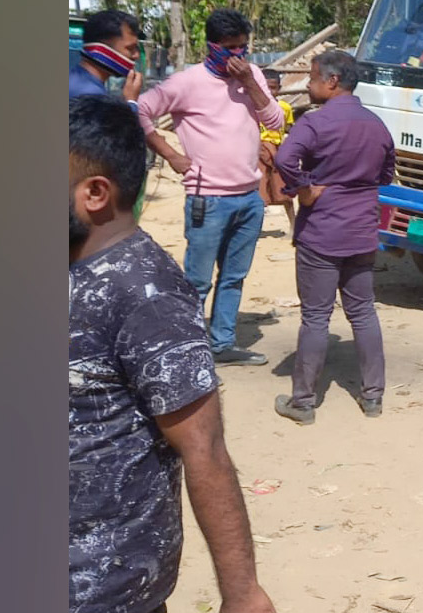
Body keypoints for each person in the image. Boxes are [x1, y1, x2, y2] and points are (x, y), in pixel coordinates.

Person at [69, 95, 276, 613]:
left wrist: (242, 594)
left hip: (99, 586)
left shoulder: (148, 296)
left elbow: (203, 448)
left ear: (95, 193)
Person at [136, 8, 285, 366]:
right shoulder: (186, 83)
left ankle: (222, 345)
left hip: (249, 198)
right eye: (230, 48)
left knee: (234, 278)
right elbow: (140, 111)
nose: (238, 55)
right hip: (208, 199)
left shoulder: (254, 77)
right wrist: (171, 154)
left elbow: (275, 121)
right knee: (197, 282)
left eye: (243, 48)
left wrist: (250, 82)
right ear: (212, 46)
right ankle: (187, 350)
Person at [271, 50, 396, 424]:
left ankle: (303, 402)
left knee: (315, 317)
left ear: (331, 81)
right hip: (361, 232)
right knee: (363, 311)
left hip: (322, 233)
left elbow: (282, 161)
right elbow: (386, 175)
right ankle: (373, 397)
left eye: (311, 78)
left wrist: (305, 187)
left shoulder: (314, 123)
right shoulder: (377, 125)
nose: (308, 85)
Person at [71, 9, 145, 105]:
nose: (137, 55)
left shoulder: (74, 79)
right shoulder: (92, 97)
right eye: (130, 48)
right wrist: (131, 101)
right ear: (102, 49)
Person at [256, 68, 296, 232]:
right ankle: (255, 230)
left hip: (278, 151)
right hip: (259, 151)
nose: (271, 92)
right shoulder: (254, 107)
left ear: (279, 89)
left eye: (274, 88)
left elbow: (289, 129)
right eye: (267, 88)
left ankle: (294, 227)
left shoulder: (285, 108)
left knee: (284, 190)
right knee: (259, 192)